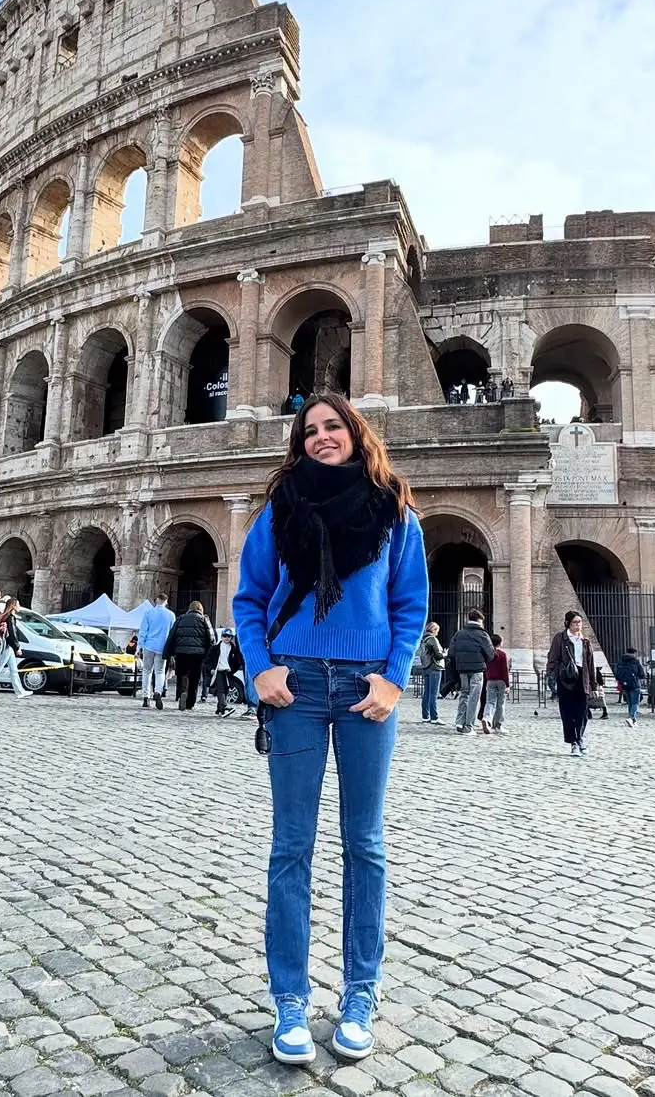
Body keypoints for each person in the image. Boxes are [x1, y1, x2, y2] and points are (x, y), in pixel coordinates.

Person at [232, 391, 428, 1065]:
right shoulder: (280, 510)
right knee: (291, 846)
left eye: (332, 425)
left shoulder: (394, 510)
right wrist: (261, 668)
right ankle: (289, 997)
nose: (321, 436)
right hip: (297, 686)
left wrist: (395, 677)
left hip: (366, 686)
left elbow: (410, 602)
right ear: (299, 440)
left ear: (355, 431)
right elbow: (249, 596)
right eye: (310, 429)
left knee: (365, 844)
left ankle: (359, 991)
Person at [547, 611, 597, 756]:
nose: (578, 625)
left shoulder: (585, 641)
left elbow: (591, 663)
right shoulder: (560, 638)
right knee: (567, 712)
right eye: (575, 622)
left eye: (580, 622)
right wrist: (557, 674)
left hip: (583, 677)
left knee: (582, 711)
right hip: (566, 678)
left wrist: (594, 685)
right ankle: (573, 742)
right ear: (568, 623)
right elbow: (553, 659)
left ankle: (580, 738)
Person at [165, 600, 217, 711]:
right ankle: (190, 703)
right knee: (194, 678)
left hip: (181, 652)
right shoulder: (204, 619)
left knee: (182, 675)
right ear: (200, 609)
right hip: (198, 654)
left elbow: (172, 635)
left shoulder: (180, 619)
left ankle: (182, 693)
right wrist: (207, 652)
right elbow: (212, 638)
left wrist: (169, 652)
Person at [448, 609, 494, 734]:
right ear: (480, 620)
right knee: (474, 697)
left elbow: (451, 653)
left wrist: (459, 661)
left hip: (462, 669)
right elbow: (491, 654)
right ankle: (469, 726)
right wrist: (482, 660)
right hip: (477, 669)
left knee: (464, 694)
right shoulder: (483, 635)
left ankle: (459, 721)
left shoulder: (459, 634)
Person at [139, 593, 175, 710]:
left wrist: (139, 646)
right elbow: (172, 634)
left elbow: (143, 631)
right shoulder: (170, 615)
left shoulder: (148, 613)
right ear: (166, 602)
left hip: (149, 645)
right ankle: (158, 691)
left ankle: (146, 696)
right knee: (160, 672)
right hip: (162, 647)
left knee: (147, 671)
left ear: (156, 601)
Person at [0, 598, 30, 699]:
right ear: (13, 606)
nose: (19, 606)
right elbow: (12, 634)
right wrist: (17, 647)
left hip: (7, 646)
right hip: (7, 646)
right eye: (18, 604)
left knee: (13, 670)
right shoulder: (11, 618)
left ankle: (20, 691)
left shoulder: (7, 616)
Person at [482, 632, 511, 734]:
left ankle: (486, 718)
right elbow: (505, 670)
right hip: (501, 681)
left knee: (490, 702)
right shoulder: (502, 655)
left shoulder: (487, 654)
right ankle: (498, 725)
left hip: (490, 680)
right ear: (500, 643)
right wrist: (508, 684)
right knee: (500, 704)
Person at [418, 622, 445, 724]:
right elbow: (438, 655)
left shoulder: (423, 640)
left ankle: (425, 716)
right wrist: (445, 654)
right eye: (437, 631)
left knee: (426, 693)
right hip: (435, 667)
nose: (437, 633)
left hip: (426, 667)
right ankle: (434, 717)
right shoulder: (433, 639)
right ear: (433, 630)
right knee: (434, 693)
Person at [614, 648, 646, 727]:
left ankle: (633, 720)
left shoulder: (620, 661)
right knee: (635, 702)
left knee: (630, 703)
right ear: (634, 653)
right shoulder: (636, 661)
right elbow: (642, 674)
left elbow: (616, 674)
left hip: (625, 685)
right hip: (635, 684)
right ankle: (631, 718)